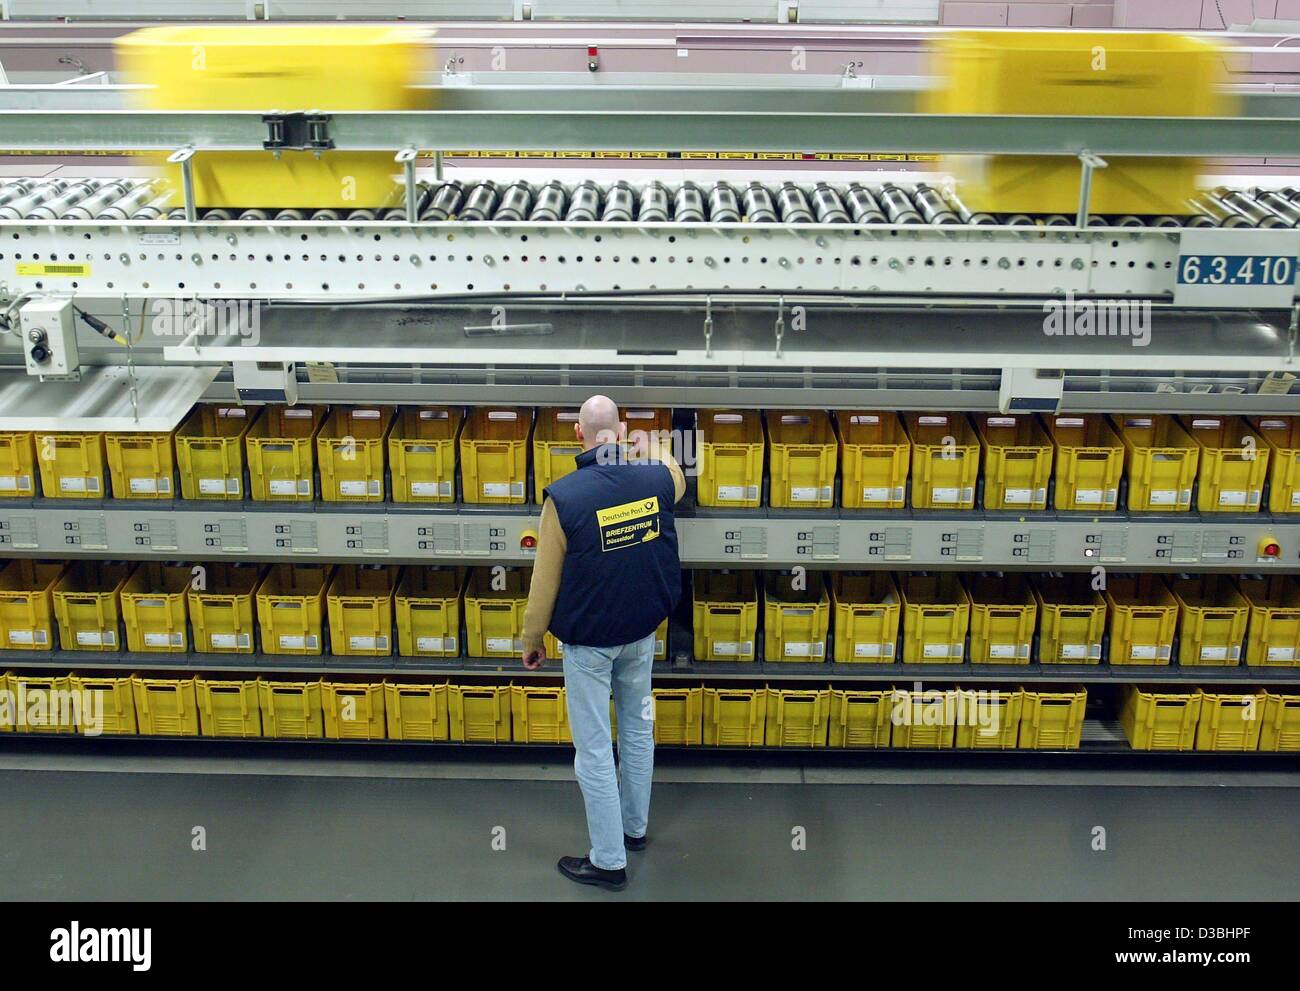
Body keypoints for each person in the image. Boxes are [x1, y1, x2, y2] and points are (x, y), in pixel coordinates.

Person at [521, 394, 685, 891]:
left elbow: (544, 583)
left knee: (593, 749)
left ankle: (609, 861)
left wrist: (532, 638)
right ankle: (633, 830)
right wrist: (651, 444)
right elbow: (676, 473)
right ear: (622, 429)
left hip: (589, 645)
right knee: (637, 730)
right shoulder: (655, 479)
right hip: (642, 634)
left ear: (578, 434)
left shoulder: (564, 498)